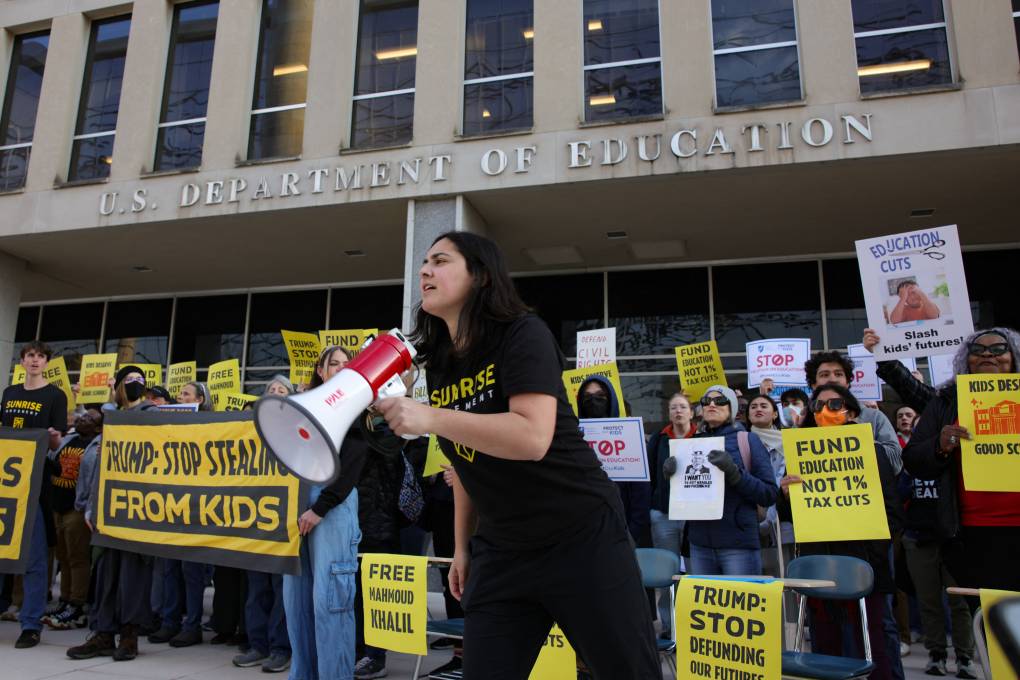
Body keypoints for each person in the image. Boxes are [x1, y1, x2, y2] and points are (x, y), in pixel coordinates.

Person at [376, 231, 661, 679]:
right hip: (503, 551)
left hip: (581, 537)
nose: (425, 270)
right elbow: (468, 461)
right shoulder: (441, 363)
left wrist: (430, 417)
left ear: (482, 276)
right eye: (424, 263)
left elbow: (531, 437)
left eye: (441, 260)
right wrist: (464, 548)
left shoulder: (522, 334)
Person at [780, 383, 902, 680]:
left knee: (872, 640)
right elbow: (791, 516)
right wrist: (784, 494)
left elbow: (892, 510)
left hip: (864, 561)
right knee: (825, 639)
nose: (826, 411)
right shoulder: (801, 451)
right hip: (820, 558)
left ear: (850, 411)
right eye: (818, 406)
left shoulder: (874, 452)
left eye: (835, 405)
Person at [902, 329, 1020, 595]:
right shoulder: (946, 402)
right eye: (977, 350)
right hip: (972, 534)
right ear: (967, 361)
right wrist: (939, 446)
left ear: (1014, 357)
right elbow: (912, 459)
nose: (988, 354)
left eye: (999, 349)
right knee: (991, 621)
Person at [283, 345, 367, 680]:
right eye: (334, 363)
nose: (341, 368)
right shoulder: (303, 406)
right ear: (320, 370)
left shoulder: (354, 406)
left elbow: (355, 458)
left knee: (330, 599)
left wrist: (321, 507)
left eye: (348, 364)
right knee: (296, 602)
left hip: (332, 505)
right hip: (296, 500)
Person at [68, 366, 156, 661]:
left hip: (139, 508)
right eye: (129, 380)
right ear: (119, 386)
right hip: (108, 506)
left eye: (140, 381)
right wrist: (92, 506)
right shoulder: (110, 421)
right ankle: (103, 633)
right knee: (106, 572)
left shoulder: (152, 415)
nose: (136, 384)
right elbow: (102, 469)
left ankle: (129, 636)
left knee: (133, 573)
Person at [662, 386, 778, 576]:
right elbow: (684, 499)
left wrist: (735, 474)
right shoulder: (690, 444)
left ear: (731, 408)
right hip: (700, 546)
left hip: (738, 545)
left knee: (740, 605)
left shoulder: (748, 440)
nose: (712, 404)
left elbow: (768, 494)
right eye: (706, 401)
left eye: (720, 401)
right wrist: (673, 478)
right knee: (705, 607)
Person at [0, 341, 68, 648]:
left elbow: (58, 445)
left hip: (36, 485)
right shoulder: (9, 393)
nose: (35, 361)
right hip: (5, 483)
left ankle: (31, 623)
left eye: (41, 356)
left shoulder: (55, 395)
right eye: (30, 356)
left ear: (47, 362)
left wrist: (54, 439)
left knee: (35, 556)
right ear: (23, 361)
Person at [233, 375, 292, 673]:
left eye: (283, 391)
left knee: (281, 590)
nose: (277, 393)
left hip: (283, 524)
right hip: (255, 521)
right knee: (257, 589)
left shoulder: (297, 431)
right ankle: (258, 645)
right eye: (272, 390)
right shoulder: (249, 432)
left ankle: (280, 648)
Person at [43, 409, 102, 631]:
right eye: (82, 416)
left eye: (89, 418)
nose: (82, 418)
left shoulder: (98, 446)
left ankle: (78, 605)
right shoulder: (69, 438)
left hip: (77, 509)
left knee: (78, 559)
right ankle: (65, 600)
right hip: (57, 506)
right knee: (63, 557)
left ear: (98, 427)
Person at [575, 377, 651, 548]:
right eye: (587, 396)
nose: (593, 400)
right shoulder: (573, 438)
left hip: (622, 532)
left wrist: (632, 534)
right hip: (583, 534)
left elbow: (641, 494)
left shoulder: (630, 436)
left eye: (600, 395)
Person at [804, 351, 903, 474]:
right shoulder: (805, 421)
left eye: (839, 374)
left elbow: (896, 463)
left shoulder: (873, 416)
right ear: (814, 384)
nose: (832, 379)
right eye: (824, 375)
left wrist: (858, 437)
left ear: (848, 382)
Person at [646, 392, 694, 639]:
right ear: (669, 413)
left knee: (694, 572)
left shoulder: (701, 437)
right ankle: (669, 626)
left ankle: (693, 626)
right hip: (664, 512)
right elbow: (650, 475)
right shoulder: (659, 438)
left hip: (695, 514)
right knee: (668, 570)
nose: (678, 411)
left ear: (691, 412)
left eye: (683, 407)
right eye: (674, 407)